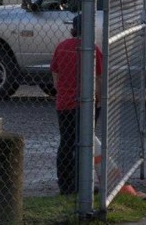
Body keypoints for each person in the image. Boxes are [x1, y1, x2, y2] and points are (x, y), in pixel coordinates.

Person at [50, 14, 102, 195]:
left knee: (66, 142)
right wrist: (98, 102)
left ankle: (65, 184)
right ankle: (82, 183)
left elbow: (55, 79)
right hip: (85, 106)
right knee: (84, 143)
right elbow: (98, 80)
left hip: (64, 103)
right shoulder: (92, 50)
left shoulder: (62, 47)